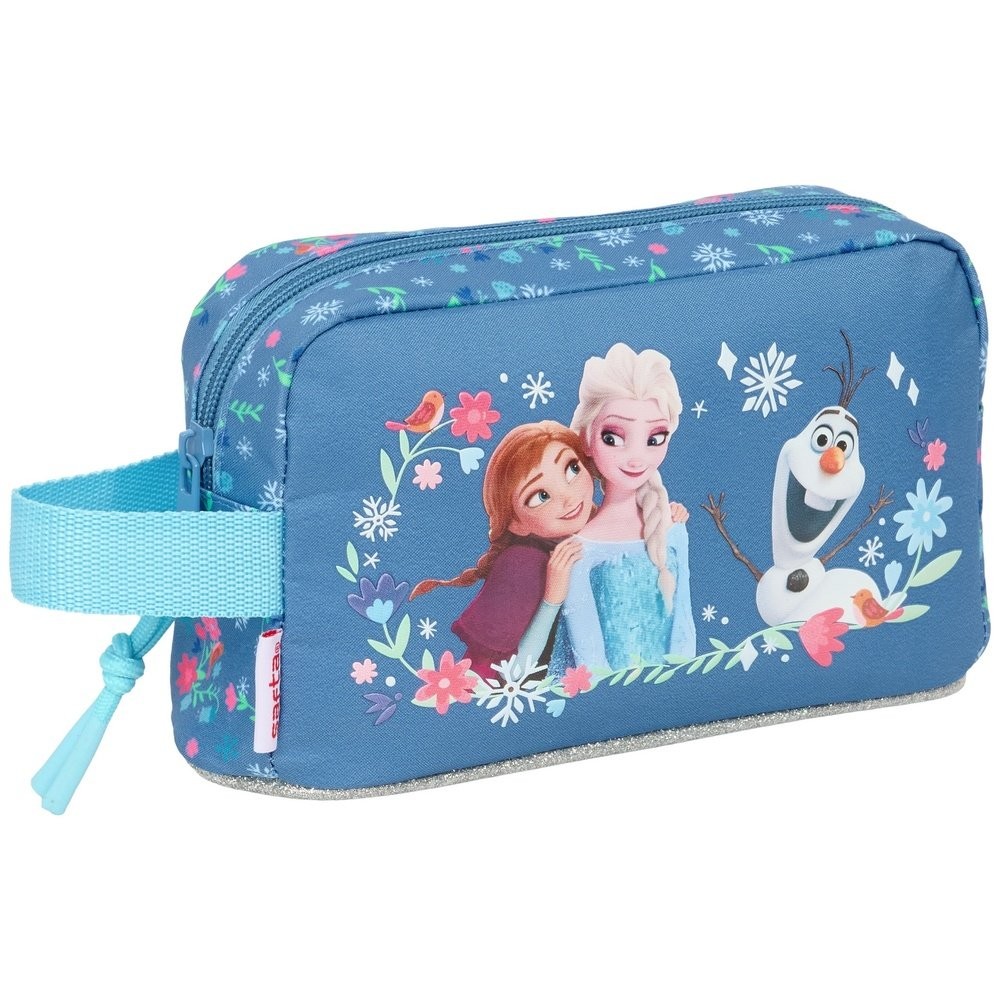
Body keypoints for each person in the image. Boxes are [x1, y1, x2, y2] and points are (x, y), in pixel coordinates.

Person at [550, 343, 696, 674]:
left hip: (676, 691)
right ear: (587, 438)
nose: (636, 458)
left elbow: (683, 627)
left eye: (654, 439)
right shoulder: (579, 549)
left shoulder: (673, 530)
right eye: (613, 438)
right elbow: (589, 657)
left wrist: (683, 683)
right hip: (605, 697)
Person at [411, 421, 594, 679]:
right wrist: (551, 600)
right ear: (516, 523)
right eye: (540, 496)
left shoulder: (595, 530)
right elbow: (508, 675)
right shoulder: (522, 564)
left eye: (572, 468)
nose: (568, 497)